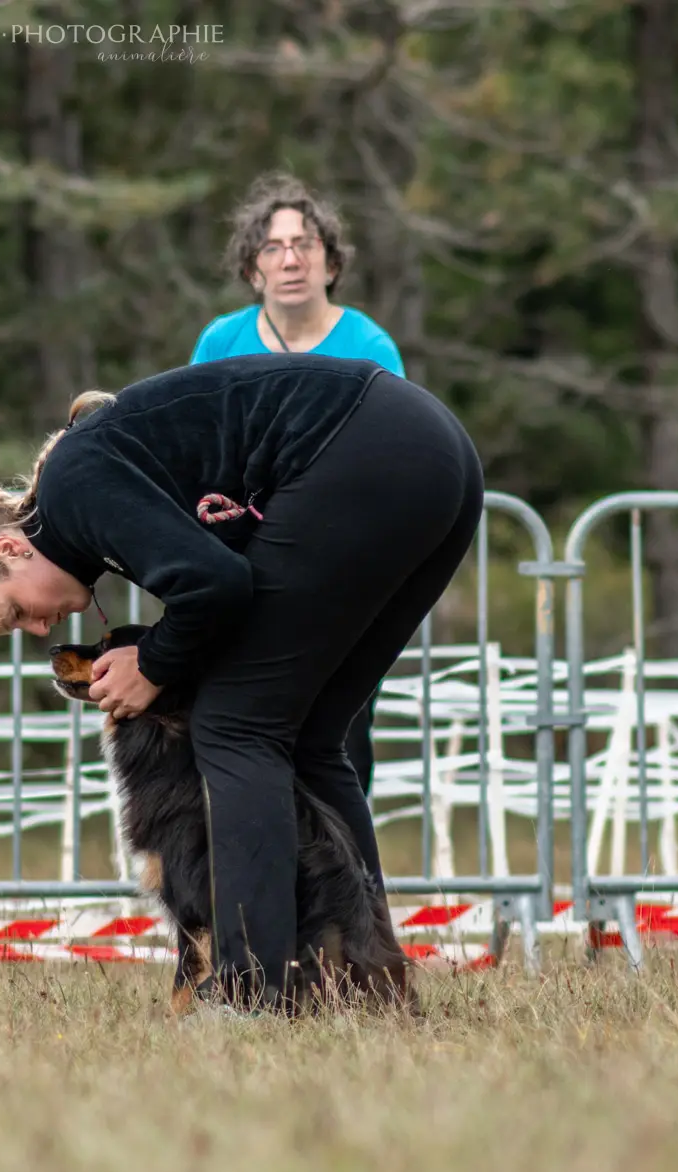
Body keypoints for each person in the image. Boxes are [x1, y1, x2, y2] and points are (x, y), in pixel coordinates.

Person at [0, 354, 484, 1012]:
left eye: (16, 612)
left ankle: (248, 991)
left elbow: (216, 586)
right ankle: (362, 978)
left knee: (234, 726)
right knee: (313, 736)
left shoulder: (76, 486)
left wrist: (153, 662)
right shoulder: (87, 497)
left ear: (9, 550)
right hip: (430, 450)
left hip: (366, 450)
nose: (39, 629)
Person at [189, 172, 406, 805]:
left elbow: (391, 455)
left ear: (331, 263)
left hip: (342, 557)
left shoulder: (368, 344)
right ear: (252, 269)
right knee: (243, 717)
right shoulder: (220, 341)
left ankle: (347, 875)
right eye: (274, 247)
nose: (291, 259)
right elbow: (198, 441)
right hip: (244, 558)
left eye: (305, 244)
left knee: (339, 725)